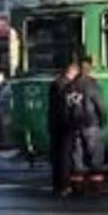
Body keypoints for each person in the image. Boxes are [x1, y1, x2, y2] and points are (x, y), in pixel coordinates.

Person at [62, 61, 108, 195]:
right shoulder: (92, 86)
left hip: (75, 126)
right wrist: (103, 122)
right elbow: (101, 106)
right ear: (89, 71)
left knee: (77, 157)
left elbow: (66, 108)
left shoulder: (69, 87)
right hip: (91, 124)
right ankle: (97, 188)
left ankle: (78, 187)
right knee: (96, 157)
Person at [47, 66, 75, 195]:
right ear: (71, 73)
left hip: (54, 124)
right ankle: (65, 185)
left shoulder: (55, 84)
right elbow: (67, 106)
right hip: (65, 125)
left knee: (56, 157)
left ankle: (57, 185)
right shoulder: (67, 86)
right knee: (65, 157)